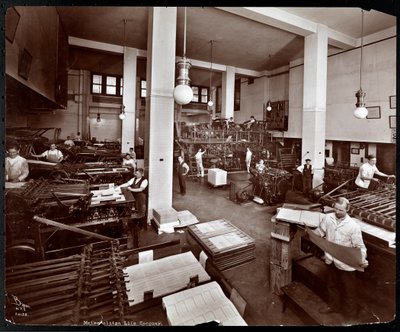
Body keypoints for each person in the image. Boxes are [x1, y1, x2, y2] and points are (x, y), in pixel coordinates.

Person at [313, 197, 368, 319]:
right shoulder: (328, 218)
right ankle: (333, 306)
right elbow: (320, 231)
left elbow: (360, 247)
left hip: (346, 263)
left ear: (347, 210)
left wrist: (362, 260)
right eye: (336, 209)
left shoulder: (353, 226)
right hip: (331, 259)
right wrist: (312, 233)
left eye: (341, 210)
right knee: (332, 285)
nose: (337, 212)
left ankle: (350, 316)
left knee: (349, 291)